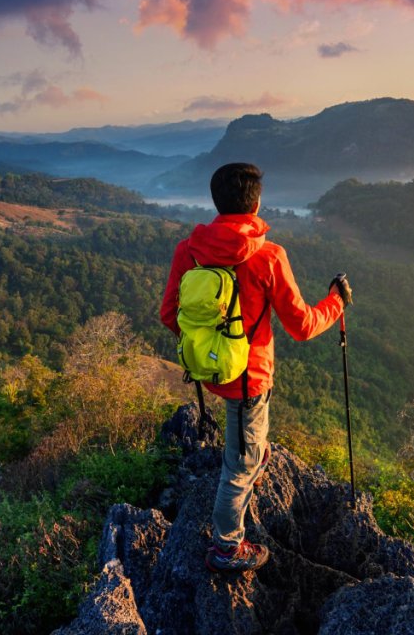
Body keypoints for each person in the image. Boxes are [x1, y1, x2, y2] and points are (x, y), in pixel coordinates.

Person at [159, 162, 353, 574]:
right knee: (238, 468)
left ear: (216, 202)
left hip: (212, 372)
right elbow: (300, 326)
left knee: (248, 443)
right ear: (257, 203)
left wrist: (209, 345)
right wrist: (335, 304)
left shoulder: (189, 251)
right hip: (251, 379)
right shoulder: (269, 256)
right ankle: (226, 548)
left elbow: (169, 314)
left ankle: (255, 454)